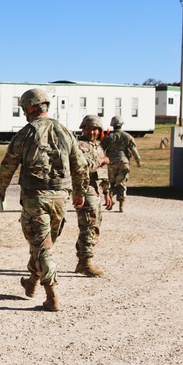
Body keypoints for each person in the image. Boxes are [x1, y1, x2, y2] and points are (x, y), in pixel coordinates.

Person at [0, 88, 87, 312]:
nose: (24, 113)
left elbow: (8, 164)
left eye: (25, 108)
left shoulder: (25, 133)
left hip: (35, 197)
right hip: (60, 199)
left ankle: (52, 295)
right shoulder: (65, 131)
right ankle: (31, 283)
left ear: (32, 107)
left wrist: (0, 189)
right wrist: (79, 191)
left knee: (42, 248)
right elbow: (80, 164)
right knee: (43, 243)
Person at [74, 115, 114, 277]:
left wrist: (106, 192)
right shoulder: (81, 146)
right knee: (89, 225)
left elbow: (102, 174)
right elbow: (84, 167)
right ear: (83, 128)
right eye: (89, 128)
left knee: (94, 224)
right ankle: (85, 262)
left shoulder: (97, 146)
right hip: (85, 189)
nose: (92, 132)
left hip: (96, 190)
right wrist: (102, 160)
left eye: (95, 129)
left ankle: (83, 260)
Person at [101, 116, 142, 212]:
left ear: (112, 125)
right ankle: (121, 205)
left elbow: (100, 149)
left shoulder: (108, 137)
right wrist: (138, 161)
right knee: (121, 183)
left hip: (111, 162)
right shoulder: (127, 136)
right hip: (124, 162)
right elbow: (134, 150)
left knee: (111, 182)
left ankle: (109, 202)